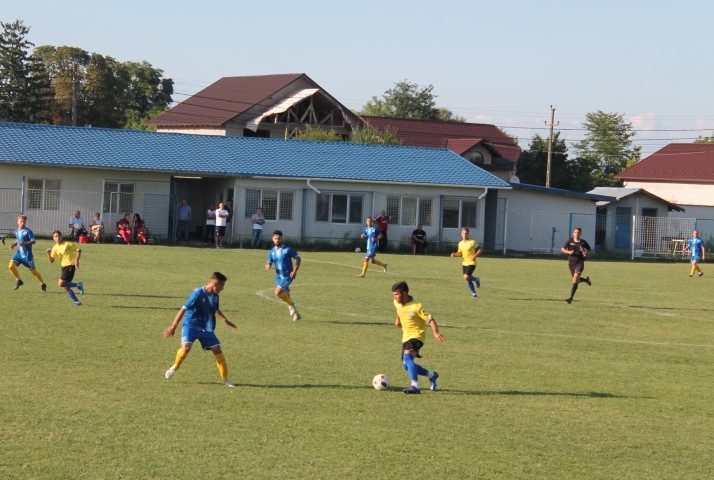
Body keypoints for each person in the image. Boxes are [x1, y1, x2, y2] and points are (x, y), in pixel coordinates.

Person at [163, 272, 237, 387]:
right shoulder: (197, 294)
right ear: (215, 284)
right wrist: (174, 325)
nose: (223, 288)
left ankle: (226, 380)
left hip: (206, 327)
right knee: (186, 348)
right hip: (191, 325)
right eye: (222, 285)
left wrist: (225, 320)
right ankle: (174, 367)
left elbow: (215, 309)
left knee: (217, 350)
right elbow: (183, 309)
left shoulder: (215, 295)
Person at [392, 281, 444, 394]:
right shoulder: (396, 302)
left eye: (396, 294)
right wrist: (398, 321)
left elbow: (430, 319)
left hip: (417, 336)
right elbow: (399, 310)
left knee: (407, 358)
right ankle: (432, 375)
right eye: (393, 294)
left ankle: (414, 386)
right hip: (406, 337)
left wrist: (436, 333)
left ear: (405, 293)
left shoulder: (416, 306)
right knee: (406, 365)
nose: (394, 297)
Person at [265, 230, 302, 321]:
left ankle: (291, 305)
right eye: (275, 239)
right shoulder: (272, 251)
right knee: (287, 297)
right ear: (272, 239)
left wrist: (294, 271)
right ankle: (297, 315)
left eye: (279, 238)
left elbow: (298, 259)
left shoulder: (287, 249)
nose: (277, 240)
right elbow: (269, 262)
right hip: (279, 277)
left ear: (281, 239)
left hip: (288, 276)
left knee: (277, 292)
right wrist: (268, 265)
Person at [7, 215, 47, 292]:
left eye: (24, 222)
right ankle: (19, 280)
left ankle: (43, 284)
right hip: (19, 254)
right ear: (17, 222)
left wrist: (24, 243)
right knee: (10, 266)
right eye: (21, 221)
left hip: (27, 256)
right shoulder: (17, 231)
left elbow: (33, 241)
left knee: (34, 272)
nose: (22, 223)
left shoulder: (28, 231)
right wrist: (13, 245)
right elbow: (18, 240)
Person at [46, 230, 84, 306]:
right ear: (53, 238)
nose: (58, 237)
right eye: (56, 236)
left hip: (70, 266)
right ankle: (77, 302)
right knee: (66, 287)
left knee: (60, 284)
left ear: (61, 236)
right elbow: (52, 260)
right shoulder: (55, 247)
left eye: (59, 236)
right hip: (63, 267)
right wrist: (48, 253)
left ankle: (78, 285)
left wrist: (76, 261)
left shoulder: (67, 244)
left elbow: (78, 250)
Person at [560, 227, 592, 304]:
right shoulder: (570, 241)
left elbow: (589, 250)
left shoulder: (583, 242)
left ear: (580, 233)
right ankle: (585, 280)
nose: (576, 234)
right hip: (571, 263)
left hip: (579, 263)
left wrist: (585, 253)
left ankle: (570, 298)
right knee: (576, 280)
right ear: (573, 233)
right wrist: (568, 252)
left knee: (575, 279)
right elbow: (562, 249)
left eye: (578, 232)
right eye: (575, 232)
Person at [450, 227, 483, 297]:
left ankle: (476, 279)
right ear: (461, 234)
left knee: (466, 277)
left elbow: (480, 249)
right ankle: (474, 293)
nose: (464, 235)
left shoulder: (472, 242)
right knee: (468, 279)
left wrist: (475, 256)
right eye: (463, 233)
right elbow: (460, 253)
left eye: (466, 233)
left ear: (468, 234)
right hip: (464, 263)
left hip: (472, 262)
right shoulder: (460, 243)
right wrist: (454, 254)